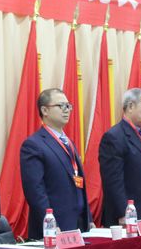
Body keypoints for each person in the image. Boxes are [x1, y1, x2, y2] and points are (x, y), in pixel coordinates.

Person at [21, 88, 91, 239]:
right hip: (55, 226)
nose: (67, 110)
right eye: (61, 106)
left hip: (79, 224)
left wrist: (88, 219)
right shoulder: (34, 145)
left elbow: (78, 182)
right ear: (45, 110)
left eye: (68, 106)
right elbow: (35, 190)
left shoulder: (68, 142)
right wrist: (50, 224)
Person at [98, 87, 141, 226]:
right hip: (126, 218)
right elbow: (113, 182)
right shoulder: (114, 137)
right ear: (131, 106)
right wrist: (123, 213)